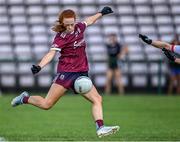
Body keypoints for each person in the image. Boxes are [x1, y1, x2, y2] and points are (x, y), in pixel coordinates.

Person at [11, 7, 119, 138]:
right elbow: (51, 54)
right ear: (62, 24)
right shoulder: (60, 38)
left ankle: (100, 127)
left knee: (97, 99)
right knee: (47, 104)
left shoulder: (79, 27)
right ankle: (24, 98)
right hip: (66, 74)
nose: (70, 27)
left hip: (82, 73)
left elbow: (89, 21)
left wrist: (101, 13)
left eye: (72, 24)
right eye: (67, 25)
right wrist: (39, 66)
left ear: (75, 21)